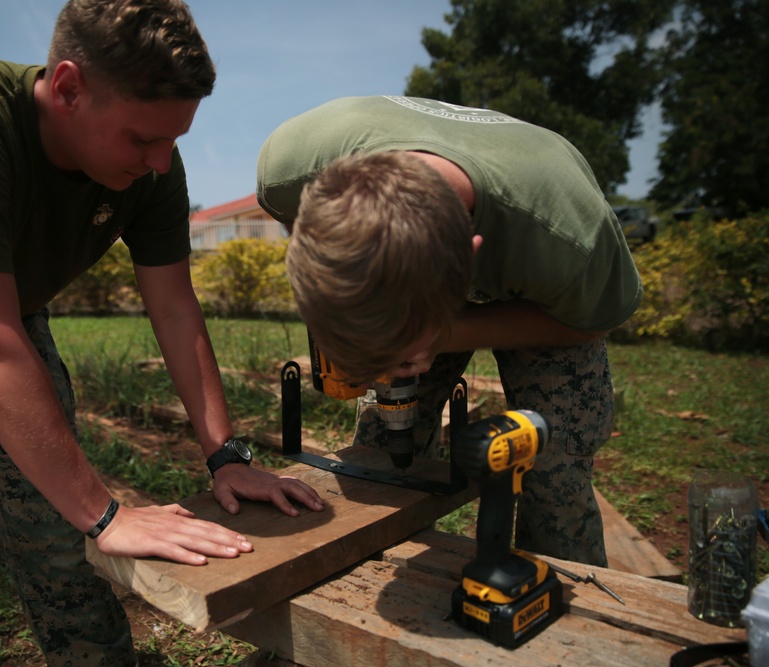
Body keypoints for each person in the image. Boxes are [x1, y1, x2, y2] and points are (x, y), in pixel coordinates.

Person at [0, 1, 323, 664]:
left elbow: (177, 311)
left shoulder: (153, 167)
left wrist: (227, 456)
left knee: (64, 542)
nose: (161, 163)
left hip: (6, 316)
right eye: (141, 139)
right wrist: (107, 511)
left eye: (174, 139)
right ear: (69, 87)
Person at [256, 95, 643, 568]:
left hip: (545, 296)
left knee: (552, 465)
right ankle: (374, 565)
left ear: (471, 257)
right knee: (378, 451)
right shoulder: (287, 171)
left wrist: (440, 335)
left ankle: (569, 606)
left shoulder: (570, 238)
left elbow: (586, 324)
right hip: (429, 258)